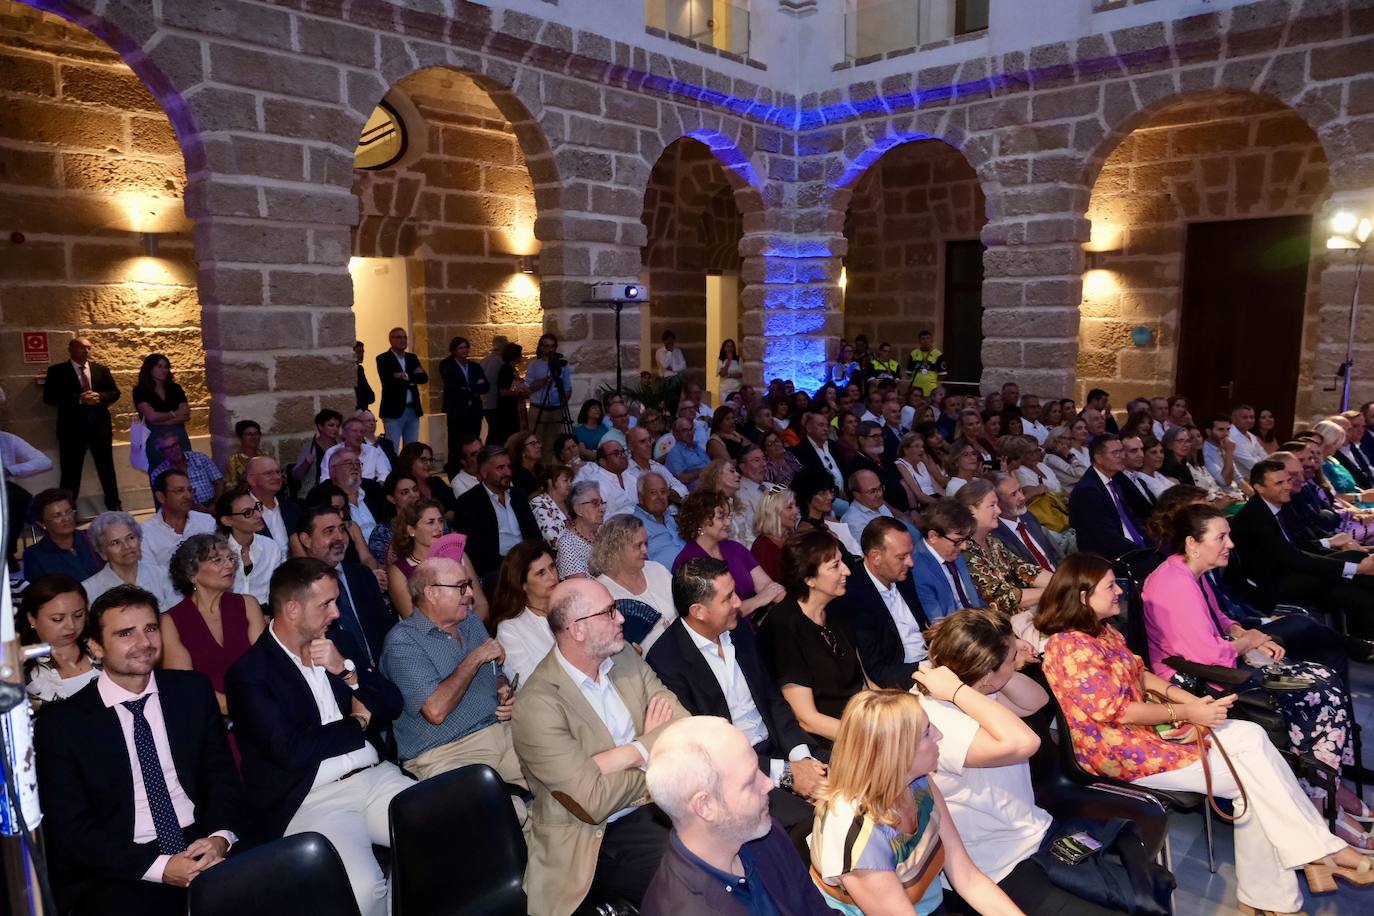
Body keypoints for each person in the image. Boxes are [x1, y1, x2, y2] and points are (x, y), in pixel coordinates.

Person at [1037, 554, 1374, 914]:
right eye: (1110, 585)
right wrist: (1187, 712)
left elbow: (1143, 677)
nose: (1119, 590)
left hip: (1144, 734)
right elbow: (1116, 711)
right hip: (1117, 752)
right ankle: (1308, 863)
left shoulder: (1102, 632)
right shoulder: (1069, 647)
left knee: (1250, 738)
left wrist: (1195, 703)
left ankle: (1288, 881)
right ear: (1084, 596)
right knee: (1255, 779)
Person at [1142, 502, 1364, 827]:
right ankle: (1321, 794)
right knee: (1318, 688)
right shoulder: (1173, 583)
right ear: (1193, 543)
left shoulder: (1189, 570)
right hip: (1197, 680)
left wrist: (1242, 632)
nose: (1230, 544)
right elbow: (1212, 656)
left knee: (1324, 677)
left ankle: (1325, 785)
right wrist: (1253, 638)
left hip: (1217, 666)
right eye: (1221, 537)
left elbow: (1218, 617)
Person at [35, 585, 243, 916]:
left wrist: (219, 837)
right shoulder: (62, 725)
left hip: (202, 841)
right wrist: (160, 868)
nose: (144, 643)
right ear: (95, 646)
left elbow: (221, 777)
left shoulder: (191, 691)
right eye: (125, 633)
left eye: (150, 629)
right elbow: (72, 830)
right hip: (121, 863)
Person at [225, 558, 407, 916]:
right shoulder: (249, 674)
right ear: (292, 609)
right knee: (363, 890)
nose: (337, 613)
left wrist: (346, 672)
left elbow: (393, 705)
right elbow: (291, 751)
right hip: (313, 797)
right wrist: (356, 725)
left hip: (375, 778)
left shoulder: (339, 644)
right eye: (326, 604)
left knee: (445, 830)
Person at [510, 576, 689, 916]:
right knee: (690, 878)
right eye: (609, 612)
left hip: (661, 801)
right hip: (595, 837)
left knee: (738, 845)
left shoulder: (624, 658)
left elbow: (681, 719)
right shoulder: (537, 704)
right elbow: (591, 802)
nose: (621, 618)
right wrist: (653, 755)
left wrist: (625, 755)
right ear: (577, 630)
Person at [647, 557, 827, 839]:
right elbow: (708, 751)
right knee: (813, 823)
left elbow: (773, 699)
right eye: (728, 597)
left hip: (783, 749)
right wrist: (788, 774)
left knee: (860, 775)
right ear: (699, 611)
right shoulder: (667, 661)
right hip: (735, 773)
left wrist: (801, 758)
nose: (738, 602)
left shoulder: (738, 629)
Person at [809, 689, 1022, 916]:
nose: (939, 735)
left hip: (924, 903)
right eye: (927, 732)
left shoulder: (917, 781)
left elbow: (968, 878)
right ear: (896, 753)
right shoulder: (855, 831)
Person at [642, 715, 834, 916]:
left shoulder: (762, 832)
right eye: (750, 781)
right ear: (705, 806)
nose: (768, 784)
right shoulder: (681, 908)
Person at [380, 557, 523, 793]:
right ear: (431, 593)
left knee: (556, 769)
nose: (470, 594)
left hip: (500, 733)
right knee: (499, 810)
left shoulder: (470, 622)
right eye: (461, 586)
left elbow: (497, 675)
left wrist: (503, 689)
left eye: (469, 584)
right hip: (446, 752)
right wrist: (475, 658)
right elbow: (435, 711)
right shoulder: (403, 643)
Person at [1228, 458, 1374, 638]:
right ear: (1259, 487)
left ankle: (1365, 645)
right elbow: (1293, 558)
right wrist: (1356, 568)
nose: (1287, 486)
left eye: (1287, 480)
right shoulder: (1255, 517)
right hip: (1273, 584)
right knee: (1357, 565)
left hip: (1291, 572)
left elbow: (1300, 544)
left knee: (1359, 593)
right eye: (1279, 483)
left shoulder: (1276, 505)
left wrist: (1348, 562)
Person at [759, 529, 864, 749]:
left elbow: (862, 684)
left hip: (858, 722)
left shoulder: (836, 609)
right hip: (824, 742)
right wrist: (870, 738)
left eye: (842, 562)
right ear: (809, 579)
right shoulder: (784, 626)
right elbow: (806, 719)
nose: (847, 571)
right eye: (835, 566)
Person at [160, 533, 267, 716]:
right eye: (217, 560)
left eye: (231, 558)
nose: (230, 565)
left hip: (260, 708)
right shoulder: (170, 621)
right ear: (192, 574)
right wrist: (241, 709)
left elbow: (265, 666)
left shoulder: (248, 604)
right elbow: (188, 688)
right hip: (211, 718)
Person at [829, 516, 931, 690]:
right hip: (905, 681)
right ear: (876, 557)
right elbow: (878, 670)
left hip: (930, 661)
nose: (910, 562)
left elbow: (923, 627)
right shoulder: (853, 597)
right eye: (902, 557)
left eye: (910, 554)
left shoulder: (902, 575)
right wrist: (930, 671)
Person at [295, 505, 396, 666]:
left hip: (382, 669)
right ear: (306, 540)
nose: (339, 537)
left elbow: (385, 628)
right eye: (329, 531)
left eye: (342, 529)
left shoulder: (362, 575)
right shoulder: (298, 586)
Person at [674, 488, 785, 617]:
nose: (728, 522)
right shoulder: (688, 563)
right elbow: (715, 616)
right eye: (721, 517)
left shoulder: (734, 548)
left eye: (729, 516)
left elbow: (767, 585)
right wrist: (757, 601)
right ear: (700, 520)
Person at [43, 336, 122, 510]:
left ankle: (114, 506)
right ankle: (68, 510)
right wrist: (79, 399)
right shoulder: (57, 371)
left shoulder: (100, 370)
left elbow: (115, 392)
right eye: (81, 347)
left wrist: (100, 396)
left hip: (99, 429)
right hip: (71, 431)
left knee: (107, 470)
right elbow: (49, 397)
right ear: (71, 349)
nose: (85, 351)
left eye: (88, 348)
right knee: (70, 473)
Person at [956, 478, 1050, 616]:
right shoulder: (965, 551)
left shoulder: (993, 541)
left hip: (1023, 617)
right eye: (992, 505)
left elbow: (1025, 570)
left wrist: (1065, 582)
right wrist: (1056, 591)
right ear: (971, 510)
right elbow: (1003, 597)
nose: (999, 511)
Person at [594, 513, 678, 652]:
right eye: (638, 546)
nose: (645, 550)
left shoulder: (657, 569)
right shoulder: (600, 591)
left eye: (646, 543)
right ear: (617, 549)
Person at [76, 510, 176, 616]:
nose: (127, 546)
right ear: (102, 553)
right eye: (116, 543)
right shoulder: (89, 590)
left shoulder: (162, 575)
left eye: (131, 538)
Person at [490, 540, 559, 688]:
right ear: (523, 584)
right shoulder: (510, 630)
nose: (552, 576)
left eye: (552, 567)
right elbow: (529, 685)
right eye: (541, 573)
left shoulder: (574, 605)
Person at [1067, 434, 1149, 562]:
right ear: (1098, 458)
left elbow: (1135, 516)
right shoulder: (1087, 491)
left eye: (1122, 451)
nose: (1122, 456)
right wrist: (1143, 553)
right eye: (1115, 453)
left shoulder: (1117, 478)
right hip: (1111, 560)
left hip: (1134, 547)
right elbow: (1105, 538)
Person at [22, 575, 99, 705]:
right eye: (58, 619)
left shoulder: (101, 647)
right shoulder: (20, 666)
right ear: (32, 618)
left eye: (78, 615)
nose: (71, 625)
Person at [913, 499, 985, 621]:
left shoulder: (952, 550)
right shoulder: (917, 569)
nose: (964, 546)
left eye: (966, 539)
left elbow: (976, 598)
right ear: (933, 536)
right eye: (957, 541)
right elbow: (938, 622)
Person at [216, 485, 283, 605]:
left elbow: (275, 591)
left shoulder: (271, 547)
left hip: (265, 614)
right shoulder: (216, 553)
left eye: (257, 507)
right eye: (247, 512)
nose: (258, 515)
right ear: (227, 520)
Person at [23, 488, 104, 582]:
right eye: (57, 515)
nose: (66, 518)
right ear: (42, 523)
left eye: (68, 511)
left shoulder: (91, 538)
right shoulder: (35, 555)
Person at [132, 353, 193, 474]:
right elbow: (151, 416)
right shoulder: (140, 390)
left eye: (166, 367)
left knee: (184, 472)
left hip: (179, 435)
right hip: (156, 438)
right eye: (159, 366)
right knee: (159, 474)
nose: (164, 370)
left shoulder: (175, 388)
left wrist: (161, 419)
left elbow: (186, 414)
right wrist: (175, 413)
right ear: (150, 369)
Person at [989, 473, 1061, 572]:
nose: (1022, 497)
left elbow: (1053, 555)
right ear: (997, 502)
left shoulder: (1028, 517)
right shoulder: (996, 536)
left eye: (1020, 490)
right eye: (1013, 494)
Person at [439, 335, 489, 474]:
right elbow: (454, 389)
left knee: (474, 438)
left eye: (466, 347)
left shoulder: (475, 367)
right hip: (457, 411)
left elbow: (485, 386)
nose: (464, 350)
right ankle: (455, 468)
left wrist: (467, 388)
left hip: (474, 411)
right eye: (461, 348)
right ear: (454, 350)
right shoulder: (449, 368)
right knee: (456, 440)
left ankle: (474, 466)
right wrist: (473, 388)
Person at [376, 326, 428, 448]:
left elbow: (424, 378)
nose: (402, 340)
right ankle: (393, 468)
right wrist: (412, 377)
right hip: (393, 410)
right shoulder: (383, 359)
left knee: (412, 447)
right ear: (391, 339)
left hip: (413, 409)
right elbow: (389, 381)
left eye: (405, 337)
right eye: (399, 337)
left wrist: (404, 376)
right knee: (392, 446)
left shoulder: (412, 358)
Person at [149, 433, 224, 514]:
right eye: (168, 448)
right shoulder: (158, 474)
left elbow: (219, 482)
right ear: (161, 453)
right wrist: (193, 507)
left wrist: (216, 505)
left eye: (175, 445)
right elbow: (165, 500)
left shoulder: (200, 458)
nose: (174, 450)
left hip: (213, 503)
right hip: (183, 511)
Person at [525, 332, 573, 451]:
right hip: (537, 408)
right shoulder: (534, 365)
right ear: (541, 347)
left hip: (556, 409)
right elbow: (528, 387)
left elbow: (567, 388)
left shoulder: (562, 366)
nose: (550, 349)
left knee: (555, 443)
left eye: (552, 346)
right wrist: (544, 381)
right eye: (546, 346)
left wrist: (562, 403)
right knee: (536, 442)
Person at [245, 455, 301, 548]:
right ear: (251, 480)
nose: (277, 477)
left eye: (278, 472)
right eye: (268, 473)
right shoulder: (242, 512)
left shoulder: (293, 508)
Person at [321, 415, 393, 484]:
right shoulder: (332, 452)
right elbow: (325, 478)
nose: (359, 434)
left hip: (369, 491)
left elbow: (384, 474)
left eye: (361, 431)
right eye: (354, 431)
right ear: (344, 433)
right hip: (341, 491)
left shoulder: (372, 451)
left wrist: (376, 488)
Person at [636, 472, 687, 569]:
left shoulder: (669, 516)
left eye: (663, 492)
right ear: (640, 497)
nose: (660, 497)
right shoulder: (635, 526)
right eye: (653, 492)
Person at [625, 425, 688, 501]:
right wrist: (667, 493)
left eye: (649, 440)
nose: (649, 445)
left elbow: (683, 489)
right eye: (642, 441)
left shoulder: (657, 467)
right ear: (630, 446)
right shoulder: (627, 472)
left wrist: (667, 493)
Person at [749, 487, 799, 582]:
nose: (796, 511)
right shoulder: (762, 548)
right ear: (773, 512)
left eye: (795, 506)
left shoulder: (794, 538)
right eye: (789, 507)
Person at [367, 471, 419, 563]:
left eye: (415, 490)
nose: (413, 495)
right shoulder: (382, 533)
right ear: (391, 498)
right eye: (405, 492)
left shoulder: (434, 519)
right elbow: (382, 568)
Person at [579, 438, 636, 519]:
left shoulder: (631, 476)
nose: (623, 456)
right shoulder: (595, 484)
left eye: (623, 452)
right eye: (616, 453)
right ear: (603, 462)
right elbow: (596, 519)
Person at [290, 408, 342, 495]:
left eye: (337, 426)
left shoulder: (341, 447)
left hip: (338, 491)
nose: (335, 429)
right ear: (320, 426)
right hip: (314, 493)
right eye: (331, 425)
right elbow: (296, 476)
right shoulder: (310, 448)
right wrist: (306, 463)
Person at [491, 340, 528, 447]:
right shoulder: (506, 369)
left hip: (512, 409)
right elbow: (503, 392)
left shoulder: (511, 369)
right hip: (508, 412)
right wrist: (520, 393)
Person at [531, 462, 574, 548]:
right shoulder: (539, 504)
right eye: (565, 480)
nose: (570, 484)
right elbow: (552, 540)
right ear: (550, 482)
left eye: (571, 481)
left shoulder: (570, 503)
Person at [665, 415, 712, 489]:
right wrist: (704, 471)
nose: (689, 433)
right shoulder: (674, 452)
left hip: (711, 482)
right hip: (695, 491)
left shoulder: (698, 447)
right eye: (685, 430)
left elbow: (710, 465)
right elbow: (682, 478)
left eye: (691, 429)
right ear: (676, 434)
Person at [906, 330, 947, 396]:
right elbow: (909, 373)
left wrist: (932, 381)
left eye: (928, 338)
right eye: (923, 338)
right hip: (915, 391)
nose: (926, 341)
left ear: (931, 340)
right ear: (919, 341)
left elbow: (943, 374)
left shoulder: (938, 354)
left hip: (930, 391)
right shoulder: (913, 353)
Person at [223, 420, 262, 488]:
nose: (253, 437)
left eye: (256, 434)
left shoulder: (266, 455)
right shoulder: (233, 460)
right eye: (248, 434)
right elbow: (231, 486)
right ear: (240, 438)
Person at [354, 339, 375, 411]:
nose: (362, 355)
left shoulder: (360, 368)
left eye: (362, 352)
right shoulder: (355, 369)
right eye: (359, 352)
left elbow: (370, 395)